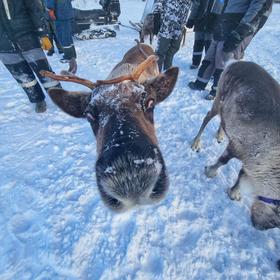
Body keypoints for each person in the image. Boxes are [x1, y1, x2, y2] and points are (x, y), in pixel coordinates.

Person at [188, 0, 273, 100]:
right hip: (225, 20)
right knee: (212, 54)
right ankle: (200, 82)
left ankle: (220, 92)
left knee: (226, 57)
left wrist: (242, 30)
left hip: (239, 23)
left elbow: (260, 6)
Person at [0, 0, 61, 113]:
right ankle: (37, 99)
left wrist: (42, 34)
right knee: (22, 76)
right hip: (3, 44)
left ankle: (60, 97)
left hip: (28, 38)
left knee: (44, 72)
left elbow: (35, 10)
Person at [153, 0, 192, 71]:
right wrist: (156, 15)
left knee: (174, 48)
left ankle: (167, 72)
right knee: (160, 52)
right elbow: (158, 2)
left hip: (179, 26)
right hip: (167, 25)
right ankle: (156, 74)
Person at [186, 0, 225, 69]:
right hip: (200, 23)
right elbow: (195, 6)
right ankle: (195, 63)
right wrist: (191, 19)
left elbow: (223, 10)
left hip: (212, 25)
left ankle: (209, 67)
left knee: (210, 47)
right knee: (198, 45)